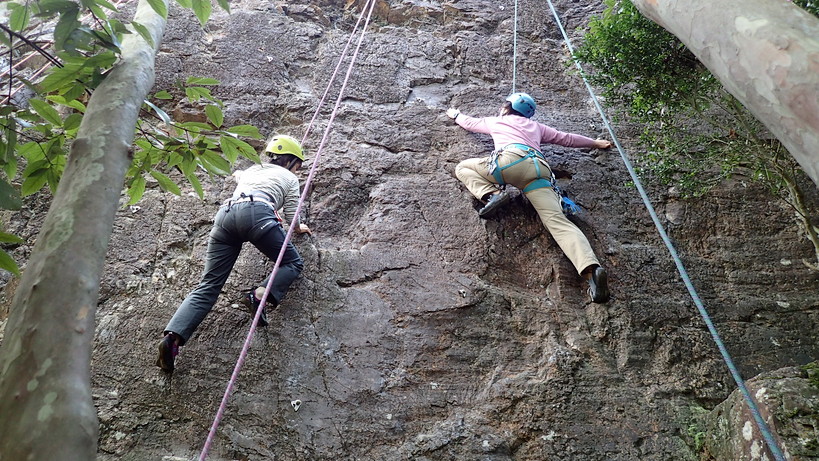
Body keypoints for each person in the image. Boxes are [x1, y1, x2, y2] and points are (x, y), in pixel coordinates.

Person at [156, 134, 312, 372]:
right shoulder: (289, 177)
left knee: (208, 285)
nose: (298, 170)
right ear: (291, 160)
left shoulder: (252, 170)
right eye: (298, 165)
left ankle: (173, 338)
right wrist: (299, 228)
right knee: (292, 263)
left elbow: (238, 176)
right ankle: (259, 294)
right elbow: (291, 215)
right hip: (257, 213)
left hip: (226, 216)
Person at [446, 92, 611, 303]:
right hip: (540, 171)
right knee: (559, 223)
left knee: (463, 167)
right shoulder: (537, 127)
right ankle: (591, 270)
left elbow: (470, 123)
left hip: (510, 162)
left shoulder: (498, 120)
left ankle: (492, 195)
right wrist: (596, 143)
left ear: (506, 108)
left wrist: (455, 114)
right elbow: (567, 138)